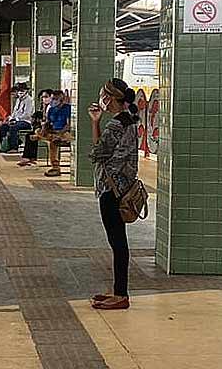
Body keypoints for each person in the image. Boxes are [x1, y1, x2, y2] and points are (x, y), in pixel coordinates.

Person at [89, 78, 140, 311]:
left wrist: (95, 123)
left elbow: (97, 153)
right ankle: (118, 290)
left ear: (109, 98)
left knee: (117, 241)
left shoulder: (115, 125)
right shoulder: (129, 120)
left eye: (103, 94)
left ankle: (121, 294)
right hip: (124, 187)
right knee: (119, 241)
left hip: (112, 190)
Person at [18, 89, 53, 167]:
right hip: (44, 128)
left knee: (32, 135)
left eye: (46, 97)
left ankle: (28, 157)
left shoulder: (51, 107)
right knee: (30, 135)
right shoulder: (44, 107)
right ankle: (29, 157)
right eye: (42, 97)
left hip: (50, 130)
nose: (44, 99)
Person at [0, 82, 33, 153]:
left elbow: (27, 114)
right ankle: (4, 146)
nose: (20, 93)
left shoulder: (29, 100)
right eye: (19, 91)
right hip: (16, 121)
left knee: (13, 127)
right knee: (3, 127)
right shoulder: (18, 100)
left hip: (25, 122)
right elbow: (14, 112)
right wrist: (10, 118)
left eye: (22, 91)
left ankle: (14, 147)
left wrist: (16, 120)